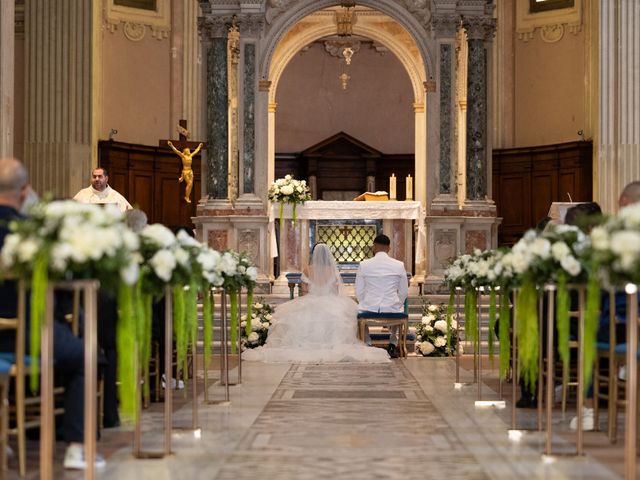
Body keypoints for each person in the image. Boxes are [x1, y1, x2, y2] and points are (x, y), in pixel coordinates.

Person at [0, 158, 105, 469]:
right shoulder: (32, 234)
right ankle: (76, 446)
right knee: (87, 354)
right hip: (27, 337)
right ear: (24, 192)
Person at [243, 243, 390, 363]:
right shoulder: (332, 270)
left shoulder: (307, 269)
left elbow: (304, 292)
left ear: (314, 255)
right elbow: (335, 291)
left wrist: (310, 299)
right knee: (344, 315)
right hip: (330, 302)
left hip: (311, 300)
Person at [355, 234, 409, 359]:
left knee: (359, 309)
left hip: (369, 307)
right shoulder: (399, 265)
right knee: (398, 308)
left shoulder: (364, 264)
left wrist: (365, 303)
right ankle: (392, 343)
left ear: (374, 247)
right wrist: (397, 303)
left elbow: (359, 291)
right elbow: (403, 291)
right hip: (392, 307)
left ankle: (367, 343)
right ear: (389, 248)